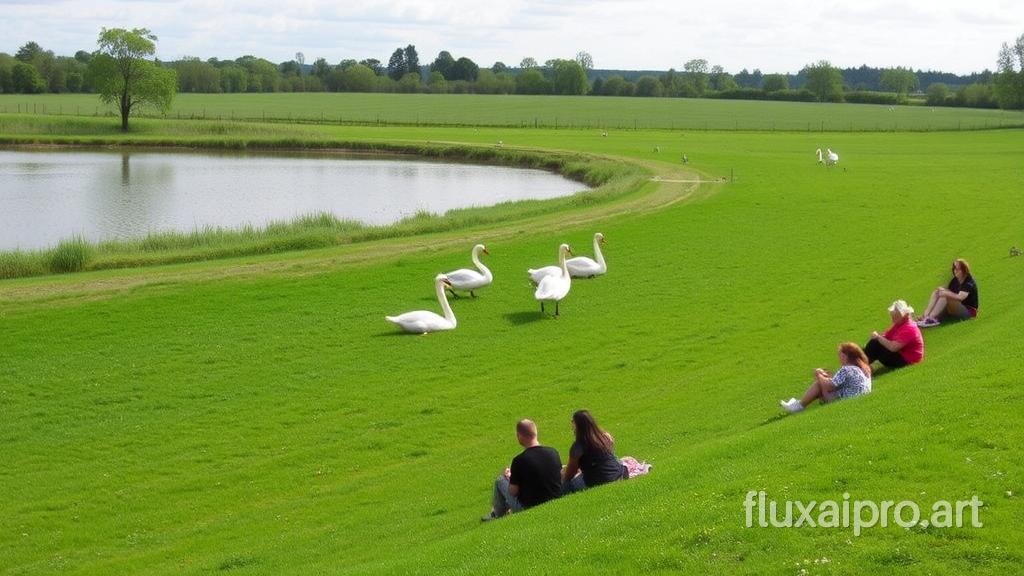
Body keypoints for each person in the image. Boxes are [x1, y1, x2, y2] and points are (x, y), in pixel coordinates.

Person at [483, 419, 562, 521]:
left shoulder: (519, 460)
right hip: (555, 498)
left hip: (528, 507)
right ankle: (501, 510)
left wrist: (510, 478)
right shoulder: (553, 452)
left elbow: (513, 491)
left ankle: (497, 514)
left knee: (500, 481)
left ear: (519, 436)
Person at [781, 342, 873, 413]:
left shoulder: (847, 369)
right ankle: (798, 404)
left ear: (844, 356)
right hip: (857, 397)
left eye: (839, 355)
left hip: (846, 400)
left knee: (819, 384)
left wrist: (819, 375)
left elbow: (830, 386)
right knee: (823, 381)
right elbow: (837, 383)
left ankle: (799, 405)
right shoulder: (863, 368)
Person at [563, 410, 627, 494]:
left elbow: (569, 474)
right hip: (619, 476)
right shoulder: (604, 437)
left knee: (568, 484)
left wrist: (563, 473)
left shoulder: (577, 447)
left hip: (599, 482)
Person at [863, 299, 924, 369]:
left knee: (879, 347)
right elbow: (886, 337)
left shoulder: (909, 328)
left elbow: (893, 348)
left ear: (905, 315)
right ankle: (862, 363)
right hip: (901, 353)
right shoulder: (899, 324)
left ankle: (863, 365)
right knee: (875, 343)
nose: (893, 320)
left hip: (908, 359)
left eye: (895, 317)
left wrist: (878, 337)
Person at [917, 259, 979, 327]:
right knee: (937, 292)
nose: (955, 271)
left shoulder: (969, 282)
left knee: (945, 296)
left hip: (969, 312)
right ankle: (925, 315)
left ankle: (931, 319)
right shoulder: (956, 279)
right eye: (954, 268)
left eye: (958, 269)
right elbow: (950, 291)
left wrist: (946, 293)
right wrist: (942, 290)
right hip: (957, 307)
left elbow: (960, 297)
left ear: (964, 270)